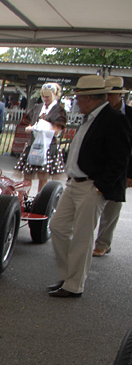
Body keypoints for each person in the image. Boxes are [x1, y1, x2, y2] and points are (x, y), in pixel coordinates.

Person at [47, 75, 132, 298]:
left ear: (87, 98)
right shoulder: (91, 117)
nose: (76, 102)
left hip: (91, 185)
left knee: (83, 237)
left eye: (78, 97)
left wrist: (101, 187)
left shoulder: (113, 119)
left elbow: (120, 158)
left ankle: (74, 285)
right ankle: (69, 275)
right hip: (75, 183)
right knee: (57, 226)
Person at [94, 76, 132, 256]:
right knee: (95, 203)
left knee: (113, 205)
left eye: (111, 94)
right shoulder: (99, 112)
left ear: (119, 95)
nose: (108, 98)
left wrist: (130, 173)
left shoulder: (129, 115)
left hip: (121, 167)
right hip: (99, 166)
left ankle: (103, 243)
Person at [14, 83, 68, 194]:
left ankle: (38, 202)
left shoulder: (59, 110)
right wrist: (30, 128)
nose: (45, 99)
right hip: (33, 144)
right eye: (43, 96)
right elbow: (27, 122)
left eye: (48, 96)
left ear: (54, 95)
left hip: (48, 146)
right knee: (27, 175)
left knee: (43, 177)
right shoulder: (38, 108)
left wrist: (44, 128)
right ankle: (23, 199)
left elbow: (57, 130)